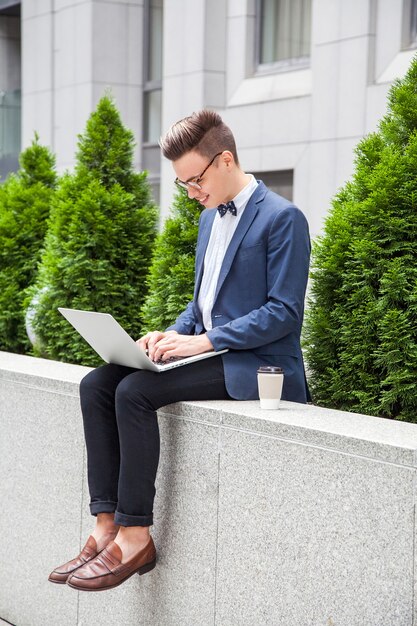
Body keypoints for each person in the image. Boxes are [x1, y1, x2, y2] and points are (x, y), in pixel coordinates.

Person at [48, 109, 311, 592]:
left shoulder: (283, 218)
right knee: (96, 384)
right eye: (184, 185)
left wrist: (204, 341)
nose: (192, 193)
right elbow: (201, 305)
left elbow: (284, 312)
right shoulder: (211, 221)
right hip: (209, 352)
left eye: (194, 181)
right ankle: (104, 524)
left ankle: (135, 535)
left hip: (257, 365)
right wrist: (166, 336)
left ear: (225, 160)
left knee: (134, 392)